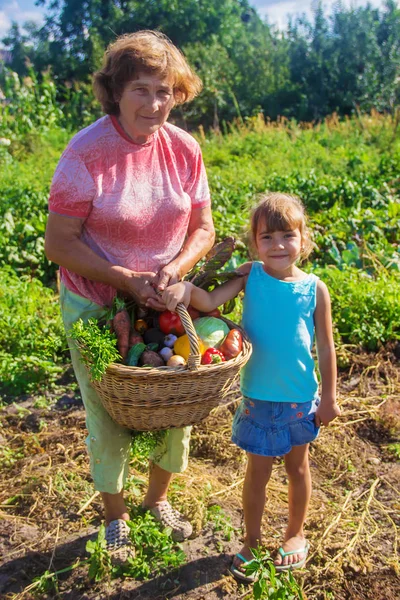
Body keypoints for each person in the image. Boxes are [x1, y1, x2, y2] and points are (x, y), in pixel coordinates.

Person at [44, 30, 215, 564]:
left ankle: (158, 500)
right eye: (142, 89)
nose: (155, 103)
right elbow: (59, 242)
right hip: (97, 302)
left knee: (176, 399)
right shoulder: (87, 152)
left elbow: (204, 228)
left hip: (164, 303)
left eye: (165, 91)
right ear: (115, 90)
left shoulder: (184, 149)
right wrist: (124, 279)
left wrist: (174, 270)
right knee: (108, 410)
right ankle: (115, 514)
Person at [162, 192, 340, 580]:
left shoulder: (315, 288)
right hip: (258, 396)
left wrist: (329, 397)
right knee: (257, 473)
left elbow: (325, 347)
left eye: (287, 236)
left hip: (299, 398)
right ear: (254, 243)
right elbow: (209, 302)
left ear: (303, 239)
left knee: (298, 468)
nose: (278, 245)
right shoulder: (250, 276)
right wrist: (186, 291)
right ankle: (252, 541)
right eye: (267, 238)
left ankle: (295, 535)